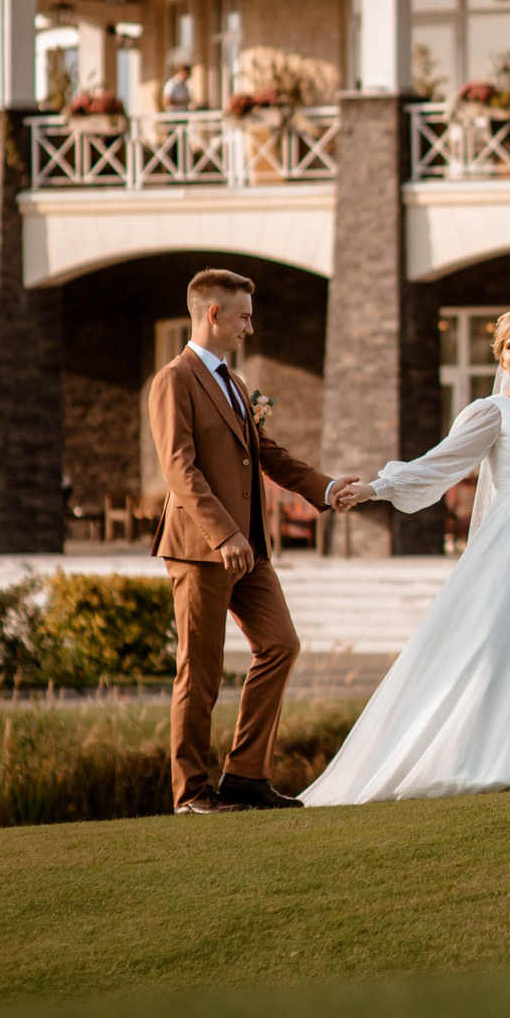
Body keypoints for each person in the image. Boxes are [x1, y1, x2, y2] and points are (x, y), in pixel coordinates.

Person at [299, 307, 510, 804]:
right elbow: (441, 463)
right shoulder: (492, 412)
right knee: (494, 646)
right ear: (500, 357)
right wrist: (379, 487)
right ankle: (490, 756)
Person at [147, 268, 353, 814]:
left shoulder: (235, 384)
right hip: (200, 547)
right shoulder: (174, 379)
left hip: (249, 550)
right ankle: (191, 793)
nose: (250, 328)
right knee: (202, 670)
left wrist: (327, 488)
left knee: (281, 644)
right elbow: (179, 468)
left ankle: (244, 776)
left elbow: (269, 454)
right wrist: (224, 534)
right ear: (213, 314)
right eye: (243, 317)